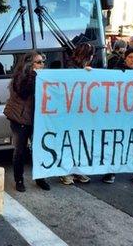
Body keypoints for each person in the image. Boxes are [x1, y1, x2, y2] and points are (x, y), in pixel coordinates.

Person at [4, 51, 50, 192]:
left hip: (37, 119)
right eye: (39, 62)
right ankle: (19, 179)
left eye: (43, 62)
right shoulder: (21, 77)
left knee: (39, 149)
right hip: (20, 119)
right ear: (30, 64)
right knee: (20, 150)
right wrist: (34, 76)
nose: (42, 65)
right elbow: (24, 92)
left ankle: (40, 178)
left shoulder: (43, 76)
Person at [102, 48, 133, 184]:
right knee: (117, 141)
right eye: (130, 57)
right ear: (125, 59)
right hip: (119, 114)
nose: (132, 60)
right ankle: (111, 171)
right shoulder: (116, 72)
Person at [60, 43, 93, 185]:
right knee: (70, 142)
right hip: (70, 112)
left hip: (82, 111)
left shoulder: (84, 69)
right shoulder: (70, 68)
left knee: (80, 142)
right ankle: (66, 172)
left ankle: (78, 171)